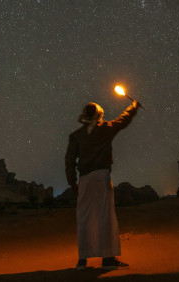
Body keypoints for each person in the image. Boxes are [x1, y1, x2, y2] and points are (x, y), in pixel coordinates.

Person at [65, 100, 140, 270]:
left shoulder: (75, 136)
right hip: (101, 175)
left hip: (84, 179)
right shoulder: (106, 129)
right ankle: (107, 260)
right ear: (99, 115)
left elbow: (69, 161)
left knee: (84, 218)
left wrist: (73, 183)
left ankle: (82, 261)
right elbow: (123, 120)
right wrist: (133, 107)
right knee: (104, 216)